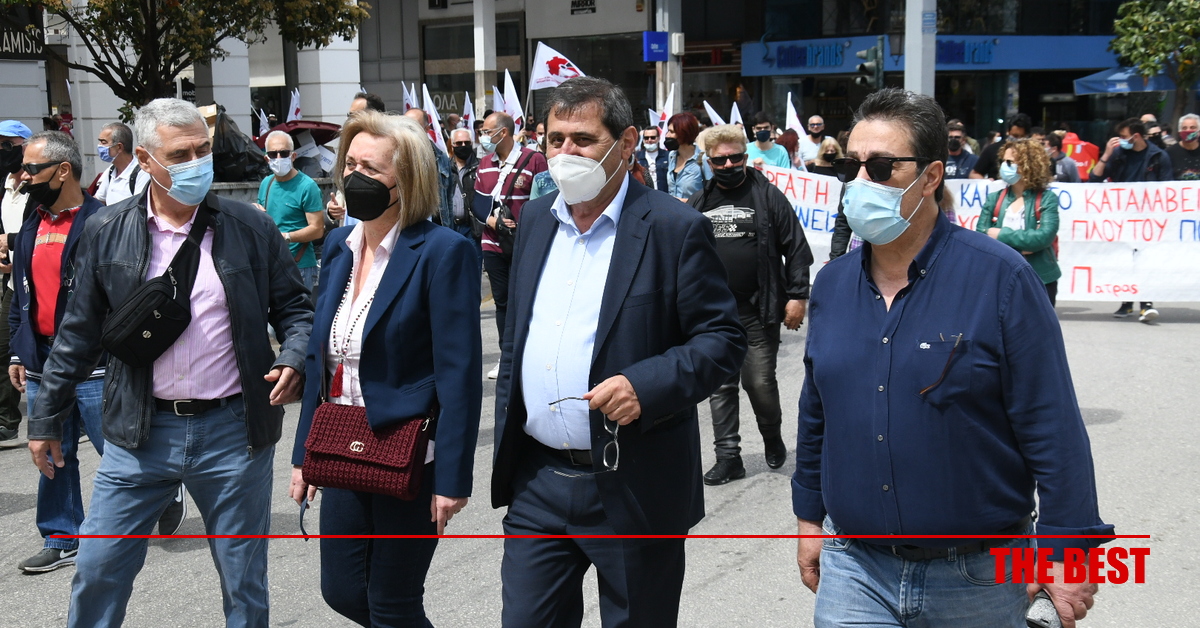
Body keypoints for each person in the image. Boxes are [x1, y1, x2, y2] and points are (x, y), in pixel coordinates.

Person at [794, 88, 1113, 628]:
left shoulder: (1002, 279)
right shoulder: (832, 284)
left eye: (881, 167)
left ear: (931, 177)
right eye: (852, 166)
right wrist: (808, 517)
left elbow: (1051, 424)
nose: (860, 181)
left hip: (980, 577)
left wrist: (1066, 551)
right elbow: (817, 410)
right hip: (854, 567)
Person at [25, 98, 312, 627]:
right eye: (181, 154)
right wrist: (45, 417)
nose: (197, 163)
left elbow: (297, 309)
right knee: (98, 569)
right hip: (138, 434)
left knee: (244, 583)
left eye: (203, 149)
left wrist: (294, 357)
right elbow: (77, 335)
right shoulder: (107, 229)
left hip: (233, 434)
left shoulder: (251, 227)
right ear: (146, 159)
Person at [492, 76, 746, 627]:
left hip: (634, 484)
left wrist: (645, 386)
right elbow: (517, 338)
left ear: (627, 142)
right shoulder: (535, 220)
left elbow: (722, 341)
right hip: (538, 482)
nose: (565, 153)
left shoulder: (674, 228)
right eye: (554, 139)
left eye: (583, 140)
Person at [289, 110, 482, 627]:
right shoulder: (339, 246)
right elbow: (319, 359)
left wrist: (452, 478)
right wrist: (303, 452)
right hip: (341, 442)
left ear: (408, 179)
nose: (355, 177)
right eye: (350, 164)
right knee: (343, 591)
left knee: (393, 604)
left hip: (410, 454)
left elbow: (459, 375)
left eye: (371, 169)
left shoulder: (443, 252)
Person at [685, 124, 812, 485]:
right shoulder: (699, 202)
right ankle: (728, 457)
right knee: (720, 387)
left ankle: (772, 437)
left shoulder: (768, 197)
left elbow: (796, 248)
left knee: (759, 383)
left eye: (735, 157)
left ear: (745, 156)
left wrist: (797, 296)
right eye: (719, 160)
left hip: (759, 311)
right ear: (708, 162)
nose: (728, 165)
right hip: (715, 315)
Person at [6, 131, 106, 573]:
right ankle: (62, 536)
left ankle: (157, 498)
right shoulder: (33, 222)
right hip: (43, 362)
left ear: (63, 170)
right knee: (52, 450)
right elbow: (22, 294)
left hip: (95, 363)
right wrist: (18, 351)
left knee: (120, 452)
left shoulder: (104, 220)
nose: (23, 176)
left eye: (31, 168)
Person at [475, 111, 548, 380]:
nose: (483, 137)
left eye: (486, 132)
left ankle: (530, 353)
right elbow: (478, 204)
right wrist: (494, 222)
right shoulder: (485, 163)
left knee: (528, 299)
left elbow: (546, 200)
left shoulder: (534, 159)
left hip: (524, 243)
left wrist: (523, 224)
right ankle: (506, 357)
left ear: (502, 132)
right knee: (502, 302)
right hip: (492, 243)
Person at [1089, 117, 1172, 322]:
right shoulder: (1118, 155)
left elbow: (1168, 188)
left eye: (1124, 136)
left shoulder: (1158, 157)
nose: (1121, 140)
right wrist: (1106, 154)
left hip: (1149, 219)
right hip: (1122, 218)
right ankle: (1126, 302)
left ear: (1136, 136)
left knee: (1145, 260)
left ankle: (1146, 304)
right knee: (1125, 259)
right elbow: (1095, 178)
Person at [976, 138, 1062, 305]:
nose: (1003, 166)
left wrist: (1001, 234)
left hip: (1041, 277)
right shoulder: (994, 198)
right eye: (1003, 161)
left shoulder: (1047, 199)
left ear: (1028, 165)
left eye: (1010, 162)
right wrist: (1024, 246)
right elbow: (981, 235)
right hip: (1001, 277)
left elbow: (1043, 237)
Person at [255, 130, 325, 294]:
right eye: (273, 154)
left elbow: (317, 229)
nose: (279, 158)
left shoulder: (307, 186)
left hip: (299, 267)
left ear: (293, 156)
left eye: (284, 153)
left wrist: (286, 237)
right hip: (271, 266)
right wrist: (254, 211)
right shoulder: (266, 183)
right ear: (267, 158)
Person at [0, 120, 31, 448]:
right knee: (4, 347)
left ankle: (72, 413)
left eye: (7, 144)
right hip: (11, 282)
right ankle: (6, 420)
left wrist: (11, 243)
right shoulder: (5, 184)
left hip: (35, 280)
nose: (2, 151)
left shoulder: (37, 185)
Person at [403, 108, 458, 234]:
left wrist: (449, 231)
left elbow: (448, 198)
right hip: (407, 230)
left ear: (427, 129)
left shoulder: (441, 158)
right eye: (405, 126)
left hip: (436, 229)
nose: (408, 131)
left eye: (414, 127)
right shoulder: (395, 157)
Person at [94, 122, 149, 206]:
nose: (99, 146)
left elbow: (138, 207)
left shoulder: (142, 173)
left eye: (103, 142)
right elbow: (99, 200)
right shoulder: (111, 171)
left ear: (119, 147)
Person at [449, 127, 483, 251]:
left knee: (472, 261)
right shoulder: (444, 168)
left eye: (467, 143)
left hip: (472, 228)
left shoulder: (480, 166)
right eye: (459, 143)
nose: (463, 146)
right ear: (452, 145)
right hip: (450, 227)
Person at [971, 113, 1031, 179]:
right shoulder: (992, 149)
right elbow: (974, 174)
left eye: (1023, 137)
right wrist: (987, 182)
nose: (1018, 140)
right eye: (1015, 136)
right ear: (1008, 132)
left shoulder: (1033, 153)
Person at [665, 111, 708, 199]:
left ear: (684, 133)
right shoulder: (672, 156)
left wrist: (684, 201)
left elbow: (710, 194)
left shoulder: (704, 159)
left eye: (671, 132)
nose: (667, 135)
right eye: (668, 131)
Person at [1166, 113, 1200, 180]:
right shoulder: (1169, 153)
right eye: (1184, 128)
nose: (1188, 131)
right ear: (1179, 132)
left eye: (1192, 127)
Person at [636, 125, 668, 192]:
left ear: (658, 138)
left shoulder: (667, 156)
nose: (649, 140)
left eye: (653, 137)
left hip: (663, 194)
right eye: (646, 138)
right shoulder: (636, 157)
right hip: (644, 194)